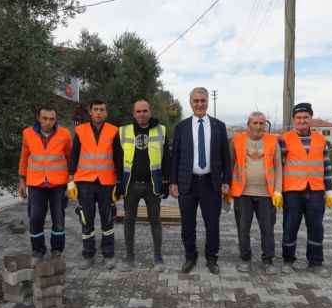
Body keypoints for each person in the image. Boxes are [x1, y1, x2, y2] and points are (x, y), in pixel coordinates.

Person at [170, 87, 231, 274]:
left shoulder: (219, 126)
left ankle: (212, 258)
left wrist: (226, 180)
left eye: (202, 100)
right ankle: (191, 256)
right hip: (187, 183)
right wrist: (173, 182)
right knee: (188, 224)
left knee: (212, 223)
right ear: (190, 103)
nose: (199, 104)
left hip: (211, 183)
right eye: (196, 101)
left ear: (207, 102)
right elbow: (175, 157)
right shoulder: (181, 127)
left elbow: (226, 157)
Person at [68, 99, 123, 270]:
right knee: (87, 219)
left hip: (107, 182)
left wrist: (120, 182)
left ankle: (108, 254)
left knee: (107, 220)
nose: (99, 112)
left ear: (106, 113)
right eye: (96, 109)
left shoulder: (113, 131)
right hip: (85, 182)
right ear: (90, 112)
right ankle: (88, 254)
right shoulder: (80, 130)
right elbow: (74, 155)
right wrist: (70, 181)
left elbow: (118, 158)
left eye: (102, 109)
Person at [280, 102, 332, 275]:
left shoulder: (321, 140)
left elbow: (326, 166)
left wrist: (329, 190)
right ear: (294, 120)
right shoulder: (284, 139)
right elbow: (277, 166)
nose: (302, 120)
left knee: (316, 227)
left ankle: (316, 262)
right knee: (290, 226)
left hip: (316, 191)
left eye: (305, 117)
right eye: (298, 117)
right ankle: (288, 260)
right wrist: (277, 190)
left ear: (311, 118)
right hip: (292, 191)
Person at [117, 99, 171, 272]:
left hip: (152, 185)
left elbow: (166, 158)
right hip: (130, 185)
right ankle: (129, 258)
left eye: (145, 111)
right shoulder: (123, 131)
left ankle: (158, 257)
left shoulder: (161, 130)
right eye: (138, 111)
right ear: (134, 113)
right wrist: (118, 183)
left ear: (150, 111)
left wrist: (166, 181)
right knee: (128, 222)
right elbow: (117, 159)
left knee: (155, 221)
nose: (142, 114)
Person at [229, 112, 283, 275]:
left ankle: (268, 260)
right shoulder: (237, 140)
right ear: (248, 125)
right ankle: (245, 258)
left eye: (261, 123)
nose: (259, 126)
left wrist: (278, 191)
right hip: (242, 193)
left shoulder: (273, 141)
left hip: (266, 194)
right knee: (243, 228)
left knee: (267, 229)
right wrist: (226, 187)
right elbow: (230, 164)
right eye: (255, 123)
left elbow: (279, 167)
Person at [17, 106, 72, 260]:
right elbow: (24, 157)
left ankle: (57, 249)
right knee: (35, 218)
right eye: (45, 118)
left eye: (52, 119)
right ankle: (38, 249)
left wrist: (71, 182)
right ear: (38, 118)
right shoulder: (27, 133)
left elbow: (70, 159)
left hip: (58, 185)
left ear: (56, 119)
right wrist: (22, 180)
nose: (48, 122)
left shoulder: (65, 134)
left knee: (58, 219)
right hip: (36, 184)